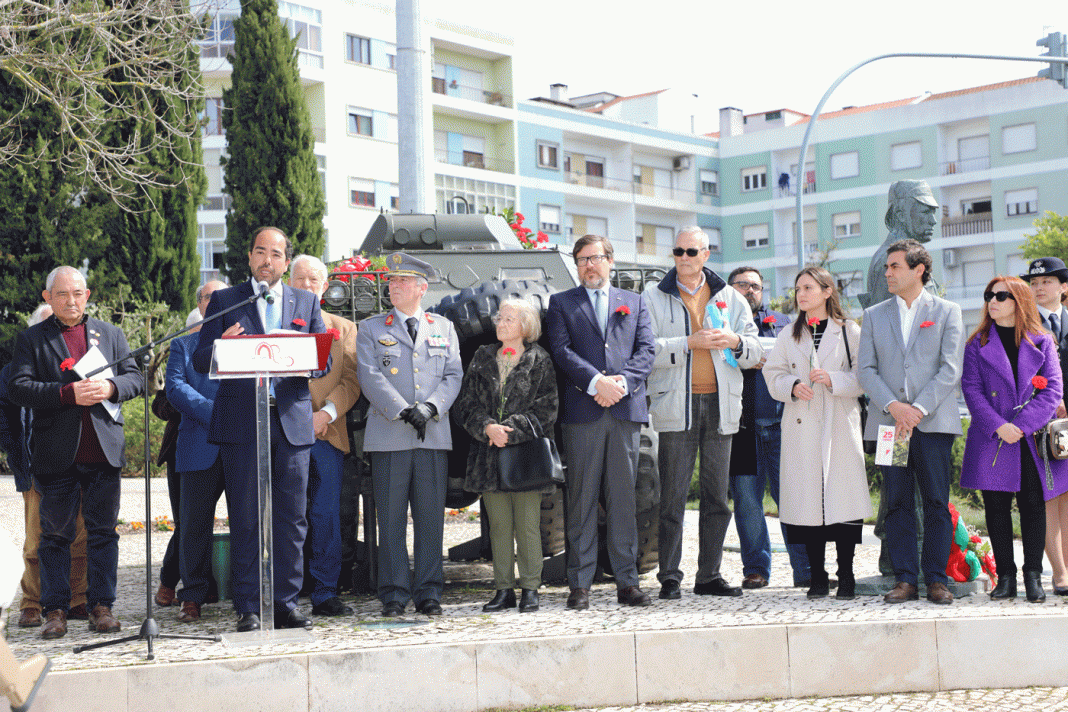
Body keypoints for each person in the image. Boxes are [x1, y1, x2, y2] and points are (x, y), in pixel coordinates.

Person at [193, 227, 326, 633]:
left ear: (287, 261)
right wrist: (222, 345)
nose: (267, 260)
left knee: (292, 517)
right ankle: (248, 605)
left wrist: (305, 355)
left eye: (276, 254)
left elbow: (323, 363)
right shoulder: (226, 300)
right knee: (246, 517)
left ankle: (286, 602)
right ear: (250, 257)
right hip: (242, 423)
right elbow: (200, 359)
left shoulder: (305, 301)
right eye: (260, 252)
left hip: (289, 422)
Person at [8, 266, 143, 638]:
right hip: (57, 454)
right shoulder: (32, 339)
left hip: (103, 451)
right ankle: (54, 609)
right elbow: (18, 387)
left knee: (103, 533)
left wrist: (112, 388)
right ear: (47, 297)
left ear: (87, 295)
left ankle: (102, 606)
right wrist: (67, 394)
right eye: (63, 294)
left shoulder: (110, 334)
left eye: (78, 293)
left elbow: (135, 377)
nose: (72, 301)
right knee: (54, 536)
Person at [644, 227, 761, 600]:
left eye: (691, 251)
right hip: (677, 404)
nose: (683, 257)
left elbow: (757, 350)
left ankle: (709, 575)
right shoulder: (653, 296)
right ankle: (670, 576)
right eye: (677, 251)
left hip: (722, 405)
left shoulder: (731, 297)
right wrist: (687, 344)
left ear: (706, 254)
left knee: (717, 498)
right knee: (672, 496)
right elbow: (644, 351)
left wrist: (736, 341)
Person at [548, 234, 656, 610]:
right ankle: (580, 583)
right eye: (581, 260)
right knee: (581, 498)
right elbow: (560, 350)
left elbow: (647, 350)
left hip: (624, 411)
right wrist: (596, 383)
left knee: (624, 498)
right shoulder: (561, 303)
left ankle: (627, 581)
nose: (589, 266)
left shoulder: (635, 302)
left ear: (610, 261)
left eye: (594, 258)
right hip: (583, 411)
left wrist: (620, 384)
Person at [858, 239, 964, 605]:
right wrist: (894, 406)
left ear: (918, 270)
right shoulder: (873, 314)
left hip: (932, 425)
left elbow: (950, 369)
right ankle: (904, 578)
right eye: (887, 267)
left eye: (894, 266)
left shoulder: (948, 311)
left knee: (937, 501)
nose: (887, 273)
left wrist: (916, 409)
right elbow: (866, 370)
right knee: (897, 502)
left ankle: (936, 578)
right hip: (890, 425)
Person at [356, 253, 462, 617]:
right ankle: (394, 593)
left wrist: (429, 408)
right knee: (391, 519)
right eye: (392, 280)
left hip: (432, 435)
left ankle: (430, 592)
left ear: (422, 287)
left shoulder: (442, 328)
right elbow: (369, 376)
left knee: (431, 518)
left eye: (403, 281)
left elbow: (453, 375)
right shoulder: (371, 328)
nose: (394, 286)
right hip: (389, 435)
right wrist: (404, 410)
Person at [763, 267, 871, 599]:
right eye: (797, 289)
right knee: (808, 504)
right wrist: (793, 386)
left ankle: (847, 575)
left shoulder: (849, 331)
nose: (801, 294)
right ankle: (817, 576)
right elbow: (772, 373)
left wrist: (834, 380)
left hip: (840, 424)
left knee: (843, 503)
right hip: (802, 428)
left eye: (808, 287)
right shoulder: (788, 333)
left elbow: (864, 377)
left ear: (827, 291)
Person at [960, 276, 1068, 602]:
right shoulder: (976, 344)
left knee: (1034, 506)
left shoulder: (1043, 341)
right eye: (989, 294)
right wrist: (999, 426)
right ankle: (1005, 576)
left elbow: (1052, 390)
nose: (992, 300)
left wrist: (1020, 425)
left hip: (1030, 437)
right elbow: (972, 391)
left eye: (1001, 295)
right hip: (993, 437)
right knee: (996, 508)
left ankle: (1033, 576)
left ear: (1019, 299)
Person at [454, 298, 559, 613]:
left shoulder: (539, 360)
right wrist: (487, 428)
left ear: (526, 325)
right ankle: (503, 589)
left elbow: (547, 408)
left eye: (509, 319)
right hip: (487, 455)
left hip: (524, 457)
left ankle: (530, 587)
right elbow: (465, 403)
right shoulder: (482, 356)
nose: (501, 323)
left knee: (527, 525)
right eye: (500, 318)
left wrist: (509, 430)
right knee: (499, 526)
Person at [1, 304, 90, 629]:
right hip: (34, 466)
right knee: (36, 540)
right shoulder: (13, 373)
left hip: (76, 464)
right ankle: (32, 602)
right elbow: (5, 421)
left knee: (78, 537)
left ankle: (77, 598)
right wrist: (17, 458)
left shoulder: (76, 368)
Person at [726, 266, 810, 589]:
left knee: (791, 499)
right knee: (747, 502)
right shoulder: (723, 324)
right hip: (741, 429)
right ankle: (756, 569)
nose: (750, 290)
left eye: (756, 286)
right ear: (731, 290)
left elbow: (801, 362)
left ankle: (805, 570)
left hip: (781, 427)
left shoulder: (785, 324)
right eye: (743, 285)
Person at [289, 255, 361, 617]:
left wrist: (324, 414)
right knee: (284, 515)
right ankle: (281, 596)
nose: (306, 285)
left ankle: (325, 593)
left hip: (326, 434)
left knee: (326, 516)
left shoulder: (344, 328)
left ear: (325, 285)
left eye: (313, 280)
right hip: (282, 433)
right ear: (289, 282)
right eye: (299, 279)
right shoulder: (274, 324)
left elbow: (351, 381)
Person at [165, 279, 227, 623]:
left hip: (239, 447)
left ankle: (249, 593)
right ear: (200, 304)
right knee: (193, 526)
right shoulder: (183, 346)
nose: (215, 303)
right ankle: (192, 596)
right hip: (197, 445)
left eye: (222, 298)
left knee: (249, 521)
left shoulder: (248, 344)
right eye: (209, 298)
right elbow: (174, 388)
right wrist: (215, 413)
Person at [1021, 256, 1068, 596]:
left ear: (1063, 287)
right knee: (1051, 496)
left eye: (1047, 281)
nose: (1038, 287)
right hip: (1045, 422)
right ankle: (1060, 573)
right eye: (1034, 283)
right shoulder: (1024, 326)